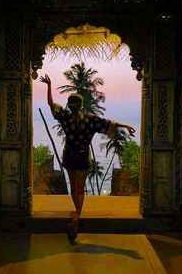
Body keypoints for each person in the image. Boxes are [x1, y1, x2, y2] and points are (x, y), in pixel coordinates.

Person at [40, 74, 135, 240]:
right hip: (83, 155)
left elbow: (50, 104)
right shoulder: (90, 120)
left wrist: (49, 85)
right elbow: (108, 123)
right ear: (81, 105)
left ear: (69, 106)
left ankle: (75, 214)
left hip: (69, 155)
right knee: (80, 187)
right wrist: (125, 125)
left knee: (73, 188)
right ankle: (77, 215)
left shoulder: (65, 118)